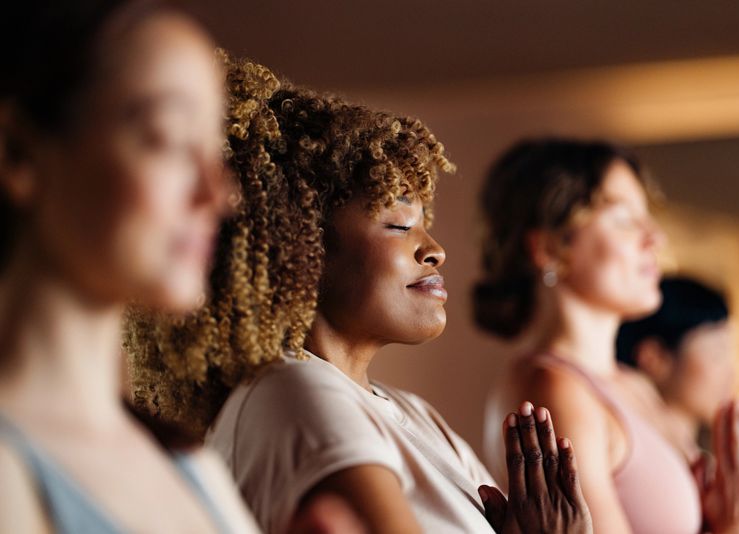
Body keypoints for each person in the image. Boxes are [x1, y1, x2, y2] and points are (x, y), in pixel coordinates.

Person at [126, 54, 592, 534]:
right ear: (301, 246)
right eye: (399, 224)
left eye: (425, 226)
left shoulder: (412, 414)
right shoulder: (296, 396)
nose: (435, 251)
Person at [0, 1, 260, 532]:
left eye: (215, 151)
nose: (218, 194)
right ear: (18, 153)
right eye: (167, 138)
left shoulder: (194, 467)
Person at [473, 139, 739, 534]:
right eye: (623, 219)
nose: (656, 238)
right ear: (549, 247)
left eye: (647, 217)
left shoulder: (634, 384)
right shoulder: (554, 390)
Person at [616, 276, 737, 460]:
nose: (734, 372)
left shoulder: (699, 457)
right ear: (653, 359)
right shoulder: (631, 451)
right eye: (718, 353)